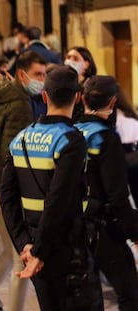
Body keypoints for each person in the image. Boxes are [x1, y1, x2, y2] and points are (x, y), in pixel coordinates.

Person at [0, 65, 102, 310]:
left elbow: (7, 196)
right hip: (65, 249)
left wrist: (25, 244)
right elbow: (58, 201)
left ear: (44, 96)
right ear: (77, 97)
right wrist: (40, 253)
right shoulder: (70, 140)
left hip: (34, 244)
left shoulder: (21, 139)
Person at [0, 52, 38, 311]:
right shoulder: (20, 103)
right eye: (38, 75)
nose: (42, 81)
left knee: (6, 251)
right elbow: (11, 153)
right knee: (19, 259)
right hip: (6, 192)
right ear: (22, 74)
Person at [75, 76, 138, 311]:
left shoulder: (72, 131)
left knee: (90, 297)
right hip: (103, 228)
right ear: (112, 103)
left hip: (75, 224)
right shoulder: (106, 138)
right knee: (130, 294)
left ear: (82, 99)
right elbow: (117, 195)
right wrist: (133, 231)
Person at [63, 46, 97, 121]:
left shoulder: (92, 86)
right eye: (68, 57)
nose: (70, 61)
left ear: (86, 64)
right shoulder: (63, 84)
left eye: (75, 59)